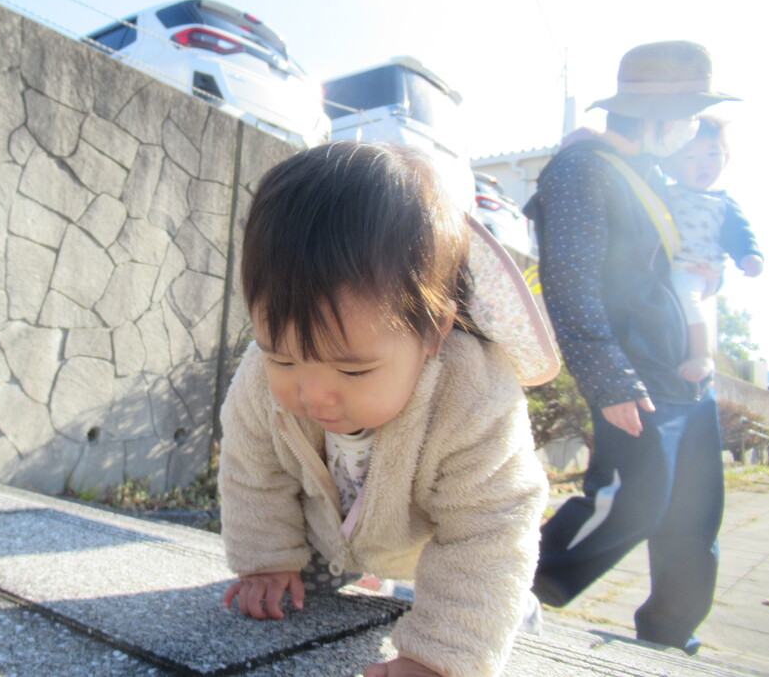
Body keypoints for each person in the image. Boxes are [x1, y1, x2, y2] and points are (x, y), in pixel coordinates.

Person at [218, 142, 558, 677]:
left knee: (489, 616)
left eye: (352, 370)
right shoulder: (258, 382)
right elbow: (251, 470)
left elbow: (490, 528)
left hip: (436, 559)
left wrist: (441, 656)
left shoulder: (473, 397)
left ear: (433, 333)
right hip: (328, 548)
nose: (314, 394)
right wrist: (268, 560)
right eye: (282, 357)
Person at [525, 40, 741, 655]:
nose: (694, 129)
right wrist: (610, 378)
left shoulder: (652, 176)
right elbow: (570, 282)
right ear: (655, 117)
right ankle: (507, 587)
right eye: (688, 116)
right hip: (636, 373)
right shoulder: (580, 171)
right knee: (626, 501)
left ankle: (672, 634)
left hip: (686, 377)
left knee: (693, 516)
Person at [661, 115, 763, 382]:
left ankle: (702, 354)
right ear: (672, 164)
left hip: (699, 269)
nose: (703, 163)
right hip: (670, 264)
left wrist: (749, 256)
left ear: (725, 157)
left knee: (685, 294)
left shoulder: (722, 202)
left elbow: (739, 234)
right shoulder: (666, 194)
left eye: (712, 154)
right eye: (691, 157)